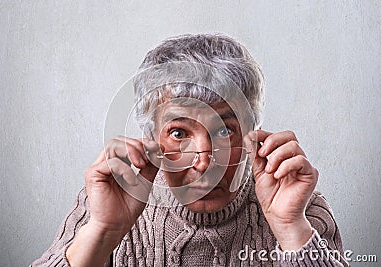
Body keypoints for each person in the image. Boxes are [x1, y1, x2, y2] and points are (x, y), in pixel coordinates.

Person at [31, 34, 348, 266]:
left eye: (225, 130)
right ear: (151, 137)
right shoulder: (105, 201)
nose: (205, 163)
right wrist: (102, 232)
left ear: (253, 134)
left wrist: (292, 229)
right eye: (179, 132)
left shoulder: (300, 207)